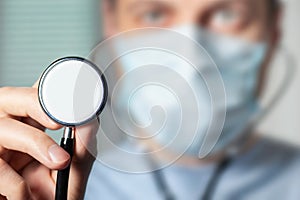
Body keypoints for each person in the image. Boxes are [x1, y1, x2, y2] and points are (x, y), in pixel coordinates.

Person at [0, 0, 299, 200]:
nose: (190, 53)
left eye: (226, 15)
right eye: (154, 14)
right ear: (111, 26)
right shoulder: (44, 182)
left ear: (273, 30)